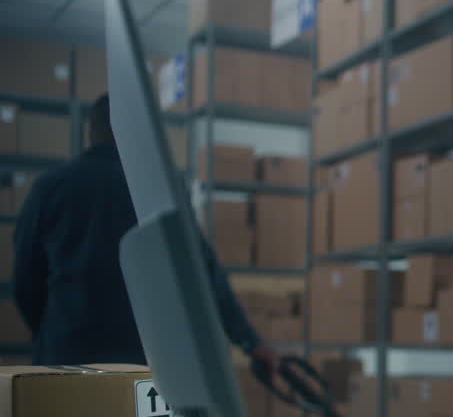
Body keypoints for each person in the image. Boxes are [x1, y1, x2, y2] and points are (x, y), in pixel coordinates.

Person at [12, 93, 277, 369]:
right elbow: (202, 270)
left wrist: (50, 330)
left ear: (91, 132)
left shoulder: (50, 187)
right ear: (137, 131)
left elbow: (25, 279)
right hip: (145, 356)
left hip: (67, 354)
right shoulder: (160, 187)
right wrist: (249, 341)